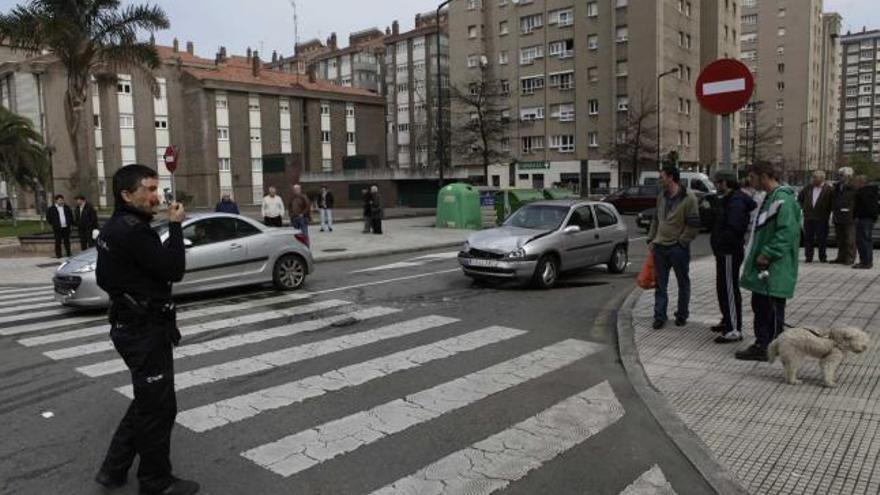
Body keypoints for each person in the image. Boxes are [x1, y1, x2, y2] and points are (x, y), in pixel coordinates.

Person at [94, 164, 199, 495]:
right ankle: (155, 481)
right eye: (149, 190)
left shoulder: (114, 227)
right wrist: (176, 227)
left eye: (157, 188)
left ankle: (113, 470)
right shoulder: (134, 231)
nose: (157, 196)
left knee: (146, 400)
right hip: (144, 331)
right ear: (127, 194)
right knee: (159, 408)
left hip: (130, 325)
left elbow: (103, 279)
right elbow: (174, 268)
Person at [736, 161, 801, 362]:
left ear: (764, 176)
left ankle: (769, 346)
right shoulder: (770, 198)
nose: (750, 180)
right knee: (761, 304)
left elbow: (787, 232)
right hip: (766, 266)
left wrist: (767, 253)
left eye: (753, 176)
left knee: (770, 307)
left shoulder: (782, 199)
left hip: (774, 266)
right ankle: (763, 343)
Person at [646, 165, 700, 330]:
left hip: (678, 248)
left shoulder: (689, 198)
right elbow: (656, 219)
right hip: (660, 247)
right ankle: (659, 316)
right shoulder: (661, 196)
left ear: (671, 178)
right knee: (660, 284)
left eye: (662, 177)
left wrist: (682, 242)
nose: (660, 180)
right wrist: (651, 239)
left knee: (682, 282)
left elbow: (693, 225)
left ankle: (682, 314)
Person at [709, 170, 757, 343]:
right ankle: (727, 320)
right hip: (724, 251)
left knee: (729, 288)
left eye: (717, 182)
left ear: (725, 183)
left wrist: (721, 242)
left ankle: (734, 329)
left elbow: (734, 227)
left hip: (729, 251)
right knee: (722, 287)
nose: (715, 186)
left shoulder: (736, 201)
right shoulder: (729, 199)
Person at [797, 170, 833, 263]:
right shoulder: (807, 188)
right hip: (809, 217)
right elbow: (800, 199)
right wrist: (803, 207)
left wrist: (827, 212)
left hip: (822, 218)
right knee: (808, 238)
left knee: (822, 239)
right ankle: (809, 257)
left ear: (821, 179)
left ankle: (822, 257)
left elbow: (832, 202)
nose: (812, 179)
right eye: (812, 177)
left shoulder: (828, 189)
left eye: (814, 177)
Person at [831, 167, 857, 265]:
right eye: (839, 175)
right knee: (840, 238)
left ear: (848, 176)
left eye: (842, 175)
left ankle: (850, 258)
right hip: (838, 215)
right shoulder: (837, 187)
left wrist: (852, 212)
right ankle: (841, 257)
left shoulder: (853, 187)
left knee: (849, 239)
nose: (840, 177)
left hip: (849, 216)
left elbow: (856, 202)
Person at [852, 175, 878, 269]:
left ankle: (865, 262)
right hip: (868, 219)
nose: (855, 184)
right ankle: (866, 261)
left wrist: (856, 215)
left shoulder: (864, 193)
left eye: (857, 182)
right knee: (866, 240)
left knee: (863, 241)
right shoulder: (871, 191)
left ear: (861, 182)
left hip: (864, 219)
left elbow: (865, 207)